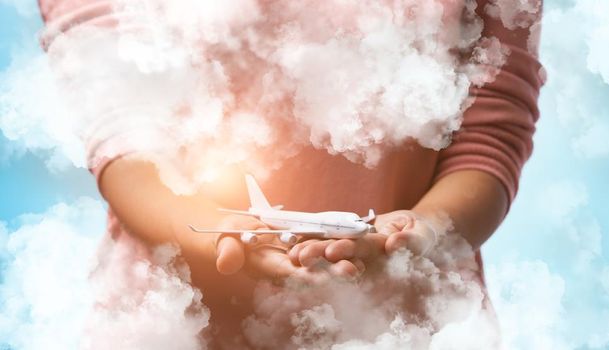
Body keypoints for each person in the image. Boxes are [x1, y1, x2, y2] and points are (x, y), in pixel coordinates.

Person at [37, 0, 543, 345]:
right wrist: (186, 222)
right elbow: (114, 112)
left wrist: (426, 233)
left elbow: (492, 128)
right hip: (169, 322)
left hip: (409, 327)